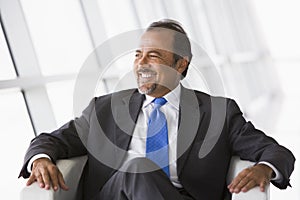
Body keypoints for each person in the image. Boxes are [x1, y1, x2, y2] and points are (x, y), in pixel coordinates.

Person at [19, 19, 295, 200]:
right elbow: (50, 140)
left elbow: (275, 151)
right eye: (138, 55)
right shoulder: (105, 109)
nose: (141, 63)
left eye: (154, 55)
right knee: (137, 167)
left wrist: (264, 168)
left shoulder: (217, 113)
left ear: (180, 64)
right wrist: (41, 159)